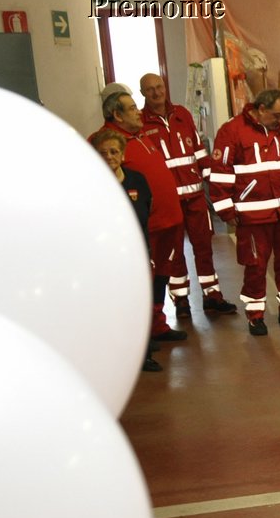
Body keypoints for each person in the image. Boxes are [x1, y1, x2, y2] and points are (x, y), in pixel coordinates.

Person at [208, 87, 280, 336]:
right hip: (252, 214)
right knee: (255, 265)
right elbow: (220, 171)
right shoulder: (232, 130)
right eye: (277, 115)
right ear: (261, 109)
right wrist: (225, 209)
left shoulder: (278, 130)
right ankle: (255, 315)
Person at [138, 72, 238, 316]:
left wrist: (212, 188)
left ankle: (212, 295)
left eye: (159, 86)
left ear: (165, 86)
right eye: (150, 89)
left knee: (204, 247)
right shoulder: (141, 123)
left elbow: (199, 151)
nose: (156, 92)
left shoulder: (182, 114)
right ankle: (181, 300)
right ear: (142, 93)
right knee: (173, 252)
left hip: (195, 199)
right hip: (168, 202)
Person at [97, 85, 189, 346]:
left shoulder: (139, 136)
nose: (139, 112)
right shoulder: (107, 142)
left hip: (167, 223)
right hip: (143, 228)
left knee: (161, 276)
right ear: (116, 114)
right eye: (132, 108)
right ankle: (138, 336)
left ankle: (157, 324)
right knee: (138, 281)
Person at [90, 127, 160, 373]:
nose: (109, 156)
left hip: (137, 255)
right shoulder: (91, 186)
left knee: (140, 305)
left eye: (113, 151)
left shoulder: (136, 180)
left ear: (122, 155)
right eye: (102, 153)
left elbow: (146, 209)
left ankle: (144, 353)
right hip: (107, 259)